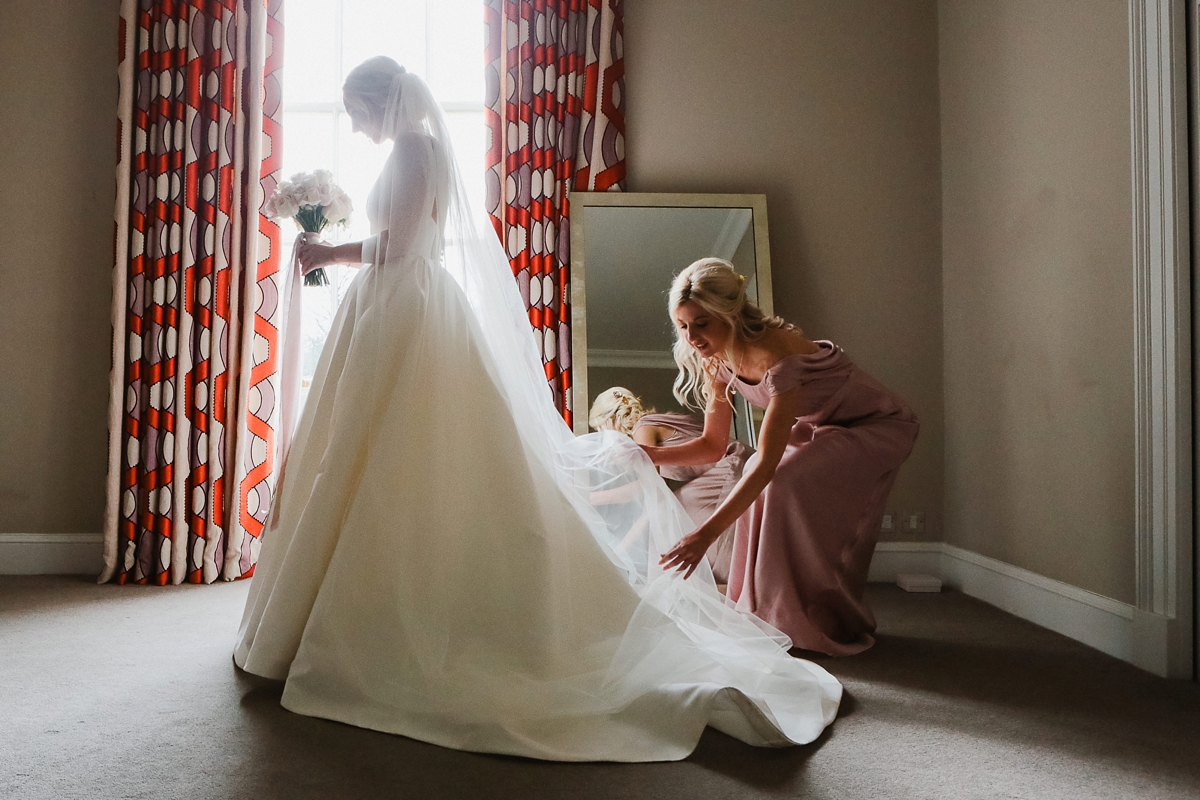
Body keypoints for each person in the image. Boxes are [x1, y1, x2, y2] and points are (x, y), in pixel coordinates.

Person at [233, 57, 841, 762]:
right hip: (389, 310)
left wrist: (326, 248)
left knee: (404, 456)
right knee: (365, 453)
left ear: (380, 102)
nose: (353, 122)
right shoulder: (411, 151)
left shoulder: (415, 150)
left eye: (355, 108)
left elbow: (402, 244)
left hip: (404, 309)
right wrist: (332, 246)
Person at [646, 258, 919, 656]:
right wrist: (647, 453)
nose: (692, 337)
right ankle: (763, 615)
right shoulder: (717, 360)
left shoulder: (776, 355)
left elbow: (768, 466)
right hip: (823, 426)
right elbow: (712, 445)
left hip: (875, 424)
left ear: (729, 312)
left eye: (702, 323)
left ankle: (812, 617)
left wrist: (703, 537)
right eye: (683, 325)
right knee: (763, 480)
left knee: (777, 480)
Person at [588, 387, 752, 583]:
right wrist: (592, 498)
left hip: (732, 465)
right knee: (670, 513)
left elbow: (653, 494)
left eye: (599, 430)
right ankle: (679, 584)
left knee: (670, 511)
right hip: (739, 462)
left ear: (608, 421)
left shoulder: (643, 428)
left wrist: (621, 550)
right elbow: (645, 487)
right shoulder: (651, 423)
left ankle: (673, 586)